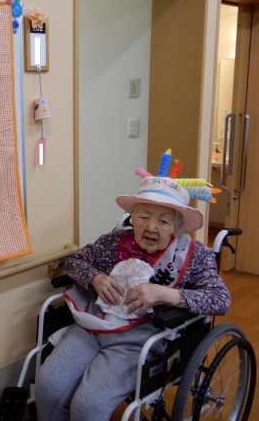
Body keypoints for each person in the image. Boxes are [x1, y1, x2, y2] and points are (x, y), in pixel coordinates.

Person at [35, 172, 231, 421]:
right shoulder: (114, 242)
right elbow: (74, 260)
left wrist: (167, 294)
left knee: (88, 406)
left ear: (177, 226)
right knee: (48, 386)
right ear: (133, 217)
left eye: (163, 221)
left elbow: (220, 299)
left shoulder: (194, 256)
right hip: (92, 326)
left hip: (138, 340)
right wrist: (95, 277)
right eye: (144, 217)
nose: (150, 227)